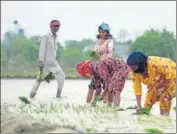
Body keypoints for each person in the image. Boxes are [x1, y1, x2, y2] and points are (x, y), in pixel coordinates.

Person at [126, 52, 176, 116]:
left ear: (140, 63)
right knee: (148, 101)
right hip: (157, 80)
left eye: (133, 67)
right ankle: (145, 112)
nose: (131, 70)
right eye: (130, 67)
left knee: (165, 95)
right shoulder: (135, 72)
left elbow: (168, 78)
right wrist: (139, 105)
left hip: (172, 75)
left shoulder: (155, 64)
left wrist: (160, 91)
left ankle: (165, 115)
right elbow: (137, 89)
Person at [30, 20, 65, 99]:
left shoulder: (56, 37)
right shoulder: (46, 36)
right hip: (45, 63)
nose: (56, 28)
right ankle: (31, 97)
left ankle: (58, 96)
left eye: (58, 26)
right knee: (38, 80)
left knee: (62, 76)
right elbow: (42, 49)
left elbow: (53, 51)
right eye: (55, 26)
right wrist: (41, 61)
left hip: (53, 63)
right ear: (51, 26)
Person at [87, 23, 114, 104]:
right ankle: (88, 104)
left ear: (107, 32)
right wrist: (94, 54)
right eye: (100, 32)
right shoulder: (98, 41)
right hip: (98, 66)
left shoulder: (110, 41)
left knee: (106, 87)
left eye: (103, 32)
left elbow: (110, 49)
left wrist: (103, 51)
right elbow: (94, 51)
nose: (102, 34)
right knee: (92, 86)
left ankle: (106, 105)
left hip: (107, 66)